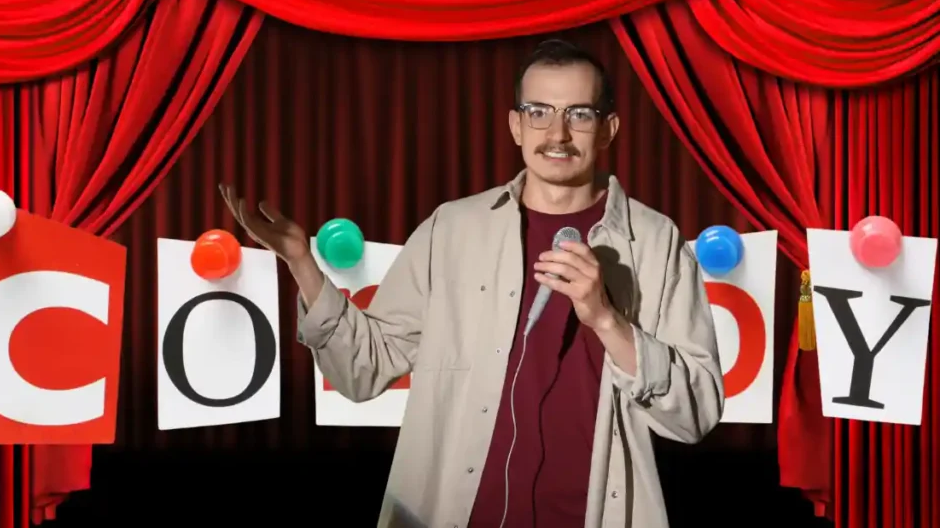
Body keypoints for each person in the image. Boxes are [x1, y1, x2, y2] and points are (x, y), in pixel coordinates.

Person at [220, 39, 724, 528]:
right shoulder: (452, 228)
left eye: (580, 114)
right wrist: (302, 264)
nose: (559, 133)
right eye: (539, 112)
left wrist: (607, 320)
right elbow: (363, 369)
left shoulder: (657, 242)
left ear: (609, 128)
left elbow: (696, 413)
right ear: (515, 126)